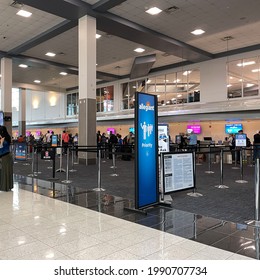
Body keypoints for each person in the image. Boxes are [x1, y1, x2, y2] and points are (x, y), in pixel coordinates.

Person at [0, 126, 13, 191]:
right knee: (7, 172)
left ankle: (4, 187)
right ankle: (8, 186)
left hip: (4, 157)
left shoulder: (3, 139)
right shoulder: (7, 137)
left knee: (4, 172)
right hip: (8, 156)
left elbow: (1, 147)